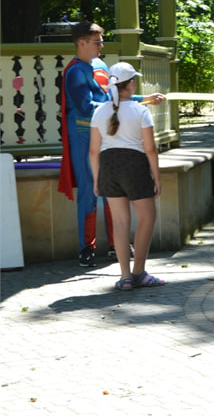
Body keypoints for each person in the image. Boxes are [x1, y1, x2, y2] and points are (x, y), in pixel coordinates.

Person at [59, 22, 165, 267]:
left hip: (105, 135)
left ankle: (115, 245)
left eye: (101, 40)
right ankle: (87, 247)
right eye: (97, 41)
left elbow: (112, 97)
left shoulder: (100, 66)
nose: (101, 45)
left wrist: (142, 99)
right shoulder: (75, 71)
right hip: (84, 137)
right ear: (82, 42)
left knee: (111, 191)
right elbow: (88, 108)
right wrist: (132, 105)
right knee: (89, 189)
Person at [89, 62, 164, 290]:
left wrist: (96, 179)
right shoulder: (141, 111)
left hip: (108, 166)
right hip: (134, 165)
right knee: (147, 218)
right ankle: (139, 271)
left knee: (120, 222)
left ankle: (125, 277)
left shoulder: (99, 112)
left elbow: (93, 150)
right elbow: (150, 149)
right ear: (131, 84)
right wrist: (157, 176)